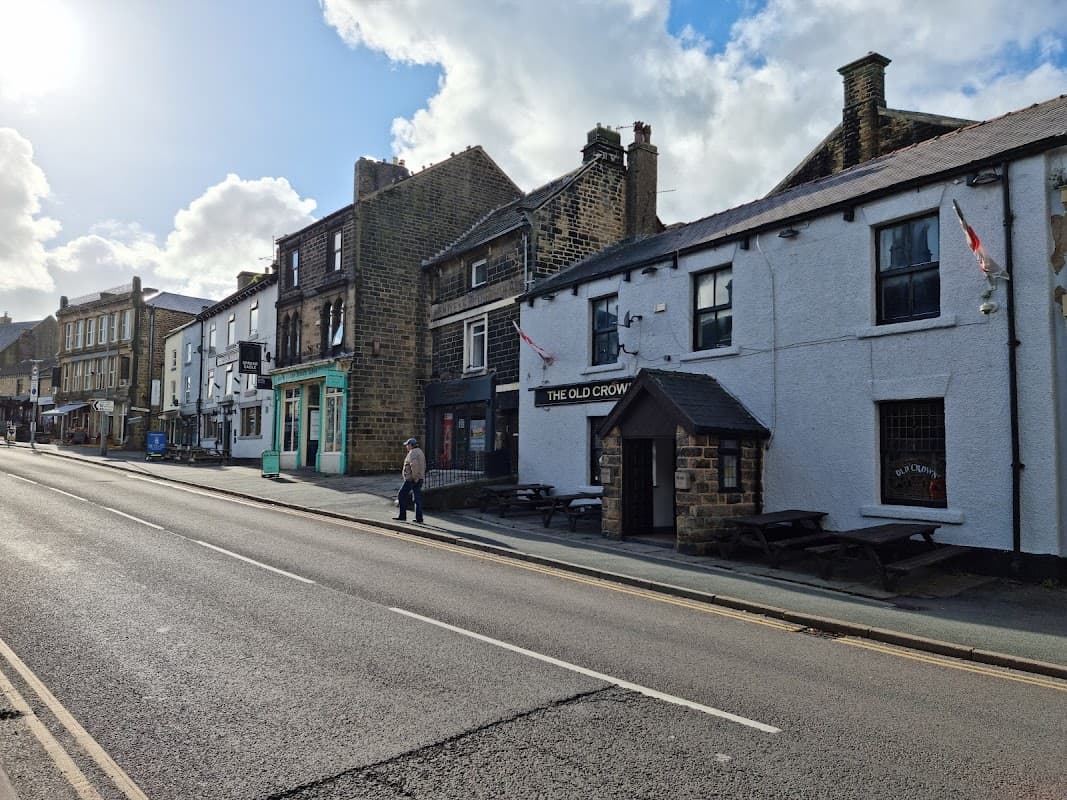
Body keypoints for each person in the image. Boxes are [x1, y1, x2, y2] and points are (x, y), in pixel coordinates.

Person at [394, 437, 425, 523]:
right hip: (420, 478)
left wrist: (415, 478)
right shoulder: (420, 452)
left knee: (401, 495)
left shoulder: (412, 453)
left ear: (411, 445)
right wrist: (419, 477)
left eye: (407, 445)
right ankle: (419, 518)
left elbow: (414, 466)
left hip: (412, 479)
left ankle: (402, 516)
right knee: (417, 498)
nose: (406, 447)